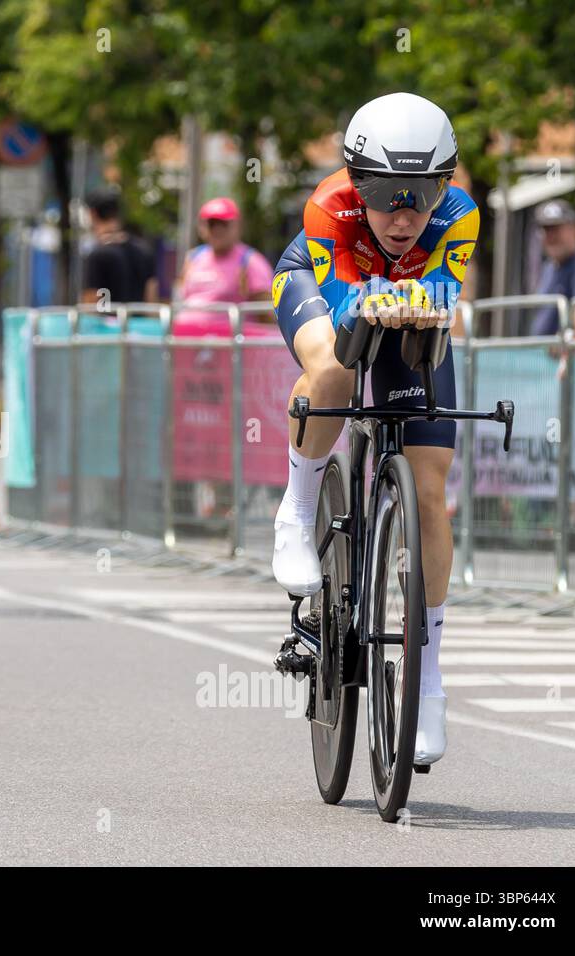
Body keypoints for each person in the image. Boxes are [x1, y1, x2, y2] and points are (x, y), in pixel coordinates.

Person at [270, 92, 479, 766]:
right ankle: (298, 508)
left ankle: (429, 677)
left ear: (443, 187)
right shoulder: (328, 206)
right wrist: (397, 300)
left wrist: (427, 303)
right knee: (333, 366)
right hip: (323, 288)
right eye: (386, 194)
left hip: (407, 317)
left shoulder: (462, 217)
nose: (403, 214)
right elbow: (346, 305)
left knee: (427, 489)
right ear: (359, 183)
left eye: (421, 195)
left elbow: (441, 299)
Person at [176, 197, 274, 330]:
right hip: (187, 340)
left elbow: (267, 313)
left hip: (229, 344)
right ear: (202, 227)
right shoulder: (193, 258)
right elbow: (180, 296)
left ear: (237, 226)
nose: (217, 230)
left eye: (223, 224)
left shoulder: (250, 261)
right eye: (212, 224)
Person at [527, 200, 575, 347]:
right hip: (545, 362)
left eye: (556, 229)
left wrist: (565, 341)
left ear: (574, 229)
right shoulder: (549, 267)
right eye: (546, 229)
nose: (550, 236)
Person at [81, 187, 158, 307]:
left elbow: (92, 304)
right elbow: (151, 300)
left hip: (105, 324)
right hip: (139, 324)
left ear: (93, 214)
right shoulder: (144, 250)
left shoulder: (97, 255)